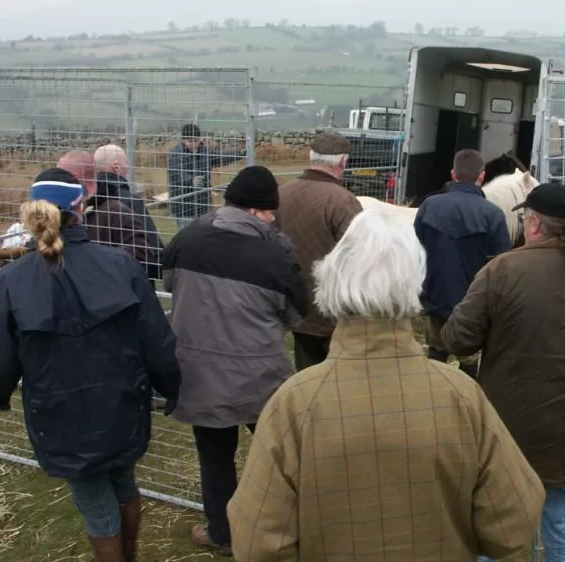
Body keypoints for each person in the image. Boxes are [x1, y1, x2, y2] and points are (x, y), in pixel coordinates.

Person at [226, 207, 545, 562]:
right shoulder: (461, 395)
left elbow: (257, 541)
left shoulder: (294, 403)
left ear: (329, 283)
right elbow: (513, 523)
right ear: (413, 285)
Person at [0, 168, 181, 562]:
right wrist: (170, 385)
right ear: (82, 206)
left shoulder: (10, 281)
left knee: (94, 495)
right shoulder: (120, 266)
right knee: (122, 480)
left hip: (59, 413)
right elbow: (157, 341)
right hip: (123, 402)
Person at [441, 182, 565, 561]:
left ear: (532, 223)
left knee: (498, 518)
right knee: (561, 518)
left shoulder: (500, 270)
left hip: (508, 425)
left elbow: (457, 339)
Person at [161, 165, 310, 555]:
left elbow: (169, 284)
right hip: (259, 379)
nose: (274, 218)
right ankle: (293, 527)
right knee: (282, 458)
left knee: (214, 459)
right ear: (259, 211)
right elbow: (298, 316)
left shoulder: (184, 239)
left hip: (198, 377)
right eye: (271, 212)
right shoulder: (274, 257)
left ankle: (222, 533)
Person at [413, 149, 511, 378]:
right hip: (474, 305)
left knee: (436, 356)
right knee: (470, 362)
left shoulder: (429, 206)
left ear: (453, 173)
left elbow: (416, 249)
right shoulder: (493, 214)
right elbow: (502, 264)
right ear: (482, 176)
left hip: (435, 298)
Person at [276, 130, 363, 370]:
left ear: (311, 156)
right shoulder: (344, 201)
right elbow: (358, 258)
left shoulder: (282, 193)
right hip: (332, 310)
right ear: (343, 161)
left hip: (293, 302)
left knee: (306, 371)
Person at [80, 145, 162, 279]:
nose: (128, 167)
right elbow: (150, 245)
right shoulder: (129, 200)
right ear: (116, 166)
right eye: (126, 162)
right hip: (129, 276)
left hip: (93, 274)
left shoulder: (84, 199)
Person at [166, 123, 247, 229]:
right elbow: (176, 173)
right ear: (183, 140)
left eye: (196, 140)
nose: (194, 144)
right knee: (187, 236)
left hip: (202, 204)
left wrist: (239, 153)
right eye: (190, 141)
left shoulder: (204, 152)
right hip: (183, 206)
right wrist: (191, 181)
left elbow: (220, 157)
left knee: (204, 234)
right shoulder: (176, 155)